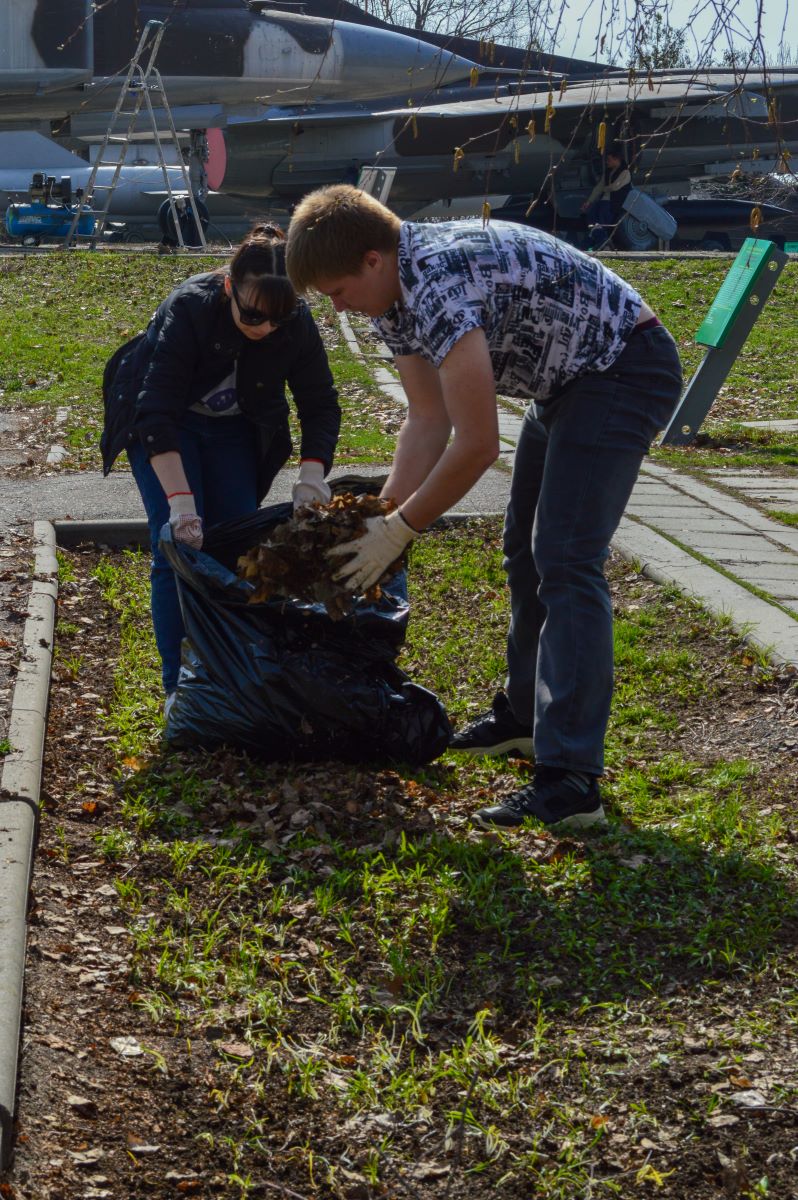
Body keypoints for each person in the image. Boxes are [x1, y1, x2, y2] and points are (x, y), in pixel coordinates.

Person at [285, 186, 682, 831]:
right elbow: (427, 419)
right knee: (524, 552)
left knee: (566, 559)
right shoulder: (392, 296)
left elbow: (476, 443)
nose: (340, 309)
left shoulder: (438, 282)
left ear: (370, 259)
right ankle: (524, 720)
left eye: (335, 292)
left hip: (622, 367)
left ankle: (573, 780)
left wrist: (404, 528)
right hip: (567, 382)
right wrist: (382, 518)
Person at [101, 223, 341, 713]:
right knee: (176, 550)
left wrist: (312, 476)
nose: (265, 327)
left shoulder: (292, 321)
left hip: (237, 429)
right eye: (253, 314)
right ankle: (180, 692)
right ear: (230, 287)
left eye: (280, 317)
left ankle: (227, 676)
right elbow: (156, 410)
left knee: (235, 551)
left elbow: (320, 404)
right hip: (168, 426)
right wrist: (181, 504)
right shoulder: (191, 307)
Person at [580, 146, 632, 248]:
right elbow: (599, 187)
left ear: (616, 159)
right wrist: (589, 201)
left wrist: (605, 188)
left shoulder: (625, 172)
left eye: (609, 160)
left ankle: (602, 243)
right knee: (591, 218)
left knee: (602, 223)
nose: (607, 162)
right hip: (604, 201)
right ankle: (599, 241)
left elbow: (615, 187)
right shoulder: (608, 172)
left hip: (613, 203)